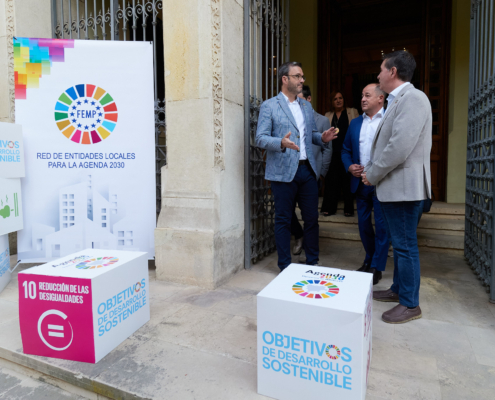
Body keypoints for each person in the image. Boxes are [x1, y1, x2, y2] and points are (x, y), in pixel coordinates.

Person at [361, 51, 432, 324]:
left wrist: (373, 174)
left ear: (392, 72)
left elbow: (398, 148)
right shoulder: (399, 100)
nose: (378, 75)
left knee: (405, 247)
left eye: (381, 70)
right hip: (397, 187)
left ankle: (410, 304)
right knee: (401, 244)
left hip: (404, 188)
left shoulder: (413, 98)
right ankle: (398, 290)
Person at [255, 62, 337, 271]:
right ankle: (285, 266)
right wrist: (280, 143)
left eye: (302, 76)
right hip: (282, 172)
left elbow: (310, 135)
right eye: (298, 76)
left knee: (312, 219)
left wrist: (323, 138)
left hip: (307, 170)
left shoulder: (306, 106)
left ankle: (313, 262)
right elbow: (260, 138)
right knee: (283, 219)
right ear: (285, 79)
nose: (302, 80)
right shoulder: (270, 105)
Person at [342, 83, 388, 285]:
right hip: (360, 183)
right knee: (363, 225)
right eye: (362, 95)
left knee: (382, 227)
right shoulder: (354, 124)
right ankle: (369, 259)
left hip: (382, 183)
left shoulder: (389, 120)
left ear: (380, 98)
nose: (362, 99)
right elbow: (344, 150)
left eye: (367, 95)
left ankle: (376, 266)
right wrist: (349, 166)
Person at [292, 85, 332, 256]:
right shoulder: (292, 116)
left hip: (312, 172)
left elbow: (327, 148)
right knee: (285, 210)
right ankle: (299, 235)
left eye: (299, 99)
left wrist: (321, 172)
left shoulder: (322, 120)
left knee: (310, 215)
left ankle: (310, 252)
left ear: (308, 99)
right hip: (292, 173)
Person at [321, 91, 359, 216]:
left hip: (347, 152)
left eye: (340, 98)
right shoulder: (327, 115)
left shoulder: (352, 112)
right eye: (335, 99)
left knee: (347, 179)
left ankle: (348, 209)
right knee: (331, 180)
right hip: (332, 152)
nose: (338, 100)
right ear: (332, 102)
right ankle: (328, 208)